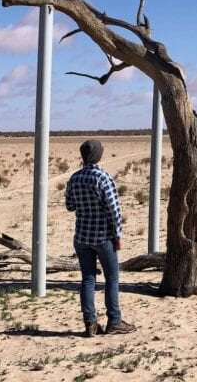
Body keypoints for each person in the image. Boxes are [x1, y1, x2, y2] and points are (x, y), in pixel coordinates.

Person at [65, 139, 137, 337]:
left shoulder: (75, 178)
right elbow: (114, 211)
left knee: (88, 279)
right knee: (112, 278)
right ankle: (114, 320)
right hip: (103, 237)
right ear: (99, 155)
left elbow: (70, 205)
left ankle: (90, 323)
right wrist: (118, 235)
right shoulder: (103, 178)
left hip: (81, 237)